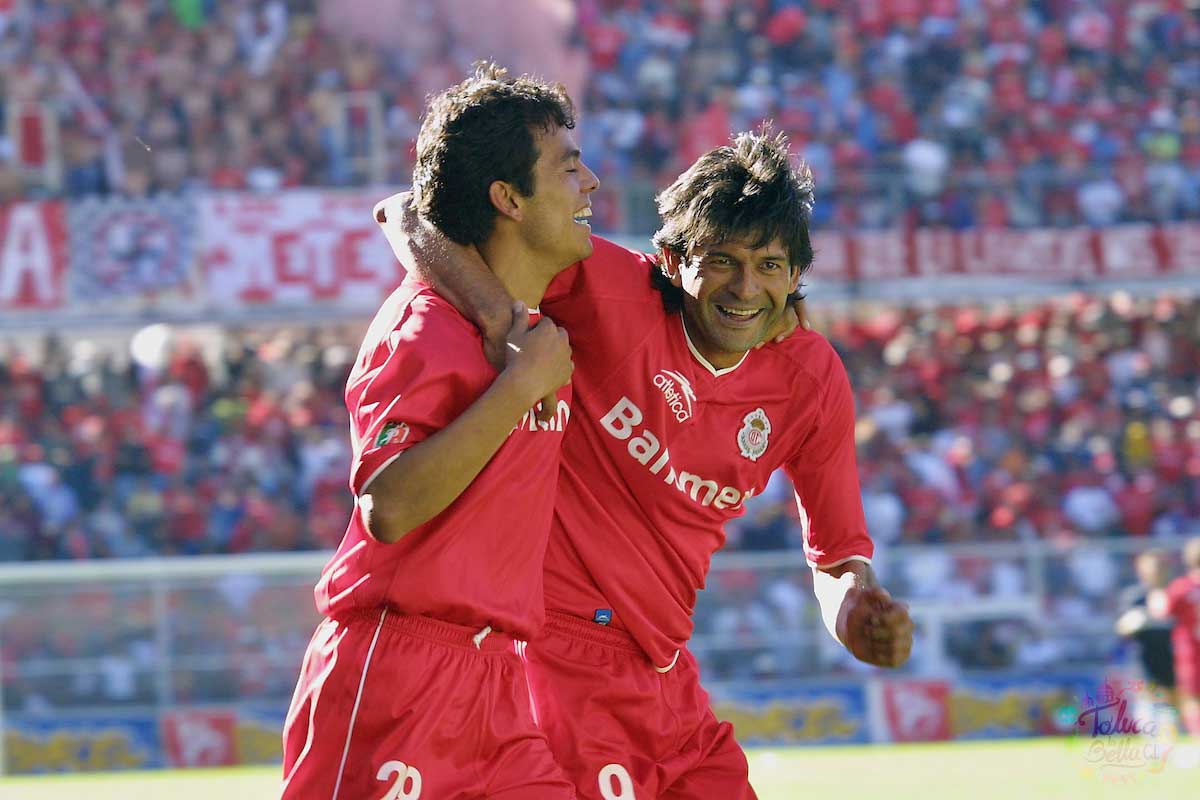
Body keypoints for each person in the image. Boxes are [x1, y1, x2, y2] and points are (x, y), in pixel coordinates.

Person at [377, 129, 914, 799]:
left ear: (797, 277)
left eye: (771, 266)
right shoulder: (606, 291)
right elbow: (407, 213)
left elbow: (836, 558)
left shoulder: (811, 379)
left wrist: (854, 610)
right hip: (553, 658)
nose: (745, 287)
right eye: (722, 261)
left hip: (665, 673)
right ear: (671, 258)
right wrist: (503, 324)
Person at [281, 63, 597, 799]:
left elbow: (405, 213)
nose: (592, 185)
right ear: (508, 198)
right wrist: (520, 385)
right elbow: (386, 507)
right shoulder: (422, 327)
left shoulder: (546, 316)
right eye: (569, 167)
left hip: (498, 684)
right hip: (396, 675)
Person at [1151, 537, 1200, 735]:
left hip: (1191, 653)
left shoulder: (1182, 587)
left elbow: (1160, 611)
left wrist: (1157, 585)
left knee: (1190, 699)